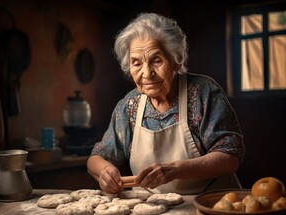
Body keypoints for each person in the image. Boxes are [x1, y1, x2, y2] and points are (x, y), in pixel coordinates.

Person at [86, 12, 245, 195]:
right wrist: (104, 172)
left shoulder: (204, 92)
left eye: (156, 60)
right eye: (136, 63)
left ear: (176, 60)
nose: (147, 73)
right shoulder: (130, 106)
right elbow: (96, 158)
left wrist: (176, 170)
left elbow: (229, 157)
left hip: (214, 203)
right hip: (161, 212)